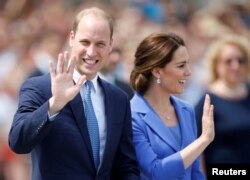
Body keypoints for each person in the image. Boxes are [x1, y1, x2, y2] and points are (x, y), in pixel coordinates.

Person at [8, 7, 140, 180]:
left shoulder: (119, 98)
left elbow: (125, 165)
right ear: (71, 38)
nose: (91, 52)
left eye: (100, 44)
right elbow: (18, 143)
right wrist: (54, 105)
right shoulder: (39, 87)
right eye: (85, 42)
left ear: (110, 44)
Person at [130, 32, 214, 180]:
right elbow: (156, 172)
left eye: (188, 63)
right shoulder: (132, 115)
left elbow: (195, 171)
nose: (188, 72)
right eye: (181, 65)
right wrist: (204, 139)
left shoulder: (186, 110)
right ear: (157, 71)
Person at [195, 34, 250, 173]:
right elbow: (197, 147)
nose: (235, 66)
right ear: (216, 65)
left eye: (240, 60)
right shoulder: (207, 102)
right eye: (228, 61)